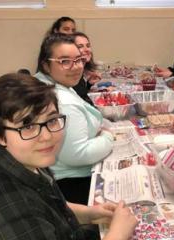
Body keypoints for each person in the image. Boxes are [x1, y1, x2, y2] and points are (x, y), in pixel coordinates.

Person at [0, 73, 138, 239]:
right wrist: (118, 234)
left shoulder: (21, 157)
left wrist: (90, 213)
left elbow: (49, 206)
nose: (47, 137)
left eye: (52, 120)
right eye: (28, 126)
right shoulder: (13, 214)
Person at [35, 33, 113, 204]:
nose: (76, 67)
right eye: (65, 61)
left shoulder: (55, 84)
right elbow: (78, 154)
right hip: (73, 184)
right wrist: (108, 137)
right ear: (46, 66)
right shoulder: (63, 102)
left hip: (57, 176)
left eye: (78, 60)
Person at [72, 32, 101, 105]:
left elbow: (80, 93)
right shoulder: (71, 74)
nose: (86, 49)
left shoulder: (80, 72)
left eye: (88, 46)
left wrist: (88, 84)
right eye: (80, 46)